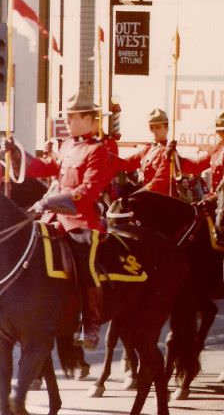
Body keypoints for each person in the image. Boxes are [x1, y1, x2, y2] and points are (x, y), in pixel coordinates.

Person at [5, 92, 114, 349]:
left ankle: (91, 324)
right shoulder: (66, 146)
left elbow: (88, 192)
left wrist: (50, 201)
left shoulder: (98, 150)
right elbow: (43, 167)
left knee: (85, 263)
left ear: (89, 119)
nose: (68, 122)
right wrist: (17, 152)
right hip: (53, 218)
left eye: (73, 117)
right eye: (67, 116)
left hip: (81, 221)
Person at [170, 111, 224, 206]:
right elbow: (196, 166)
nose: (217, 133)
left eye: (221, 131)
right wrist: (176, 156)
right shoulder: (216, 150)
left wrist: (213, 199)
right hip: (213, 202)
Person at [115, 109, 173, 195]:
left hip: (161, 201)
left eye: (158, 127)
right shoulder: (147, 150)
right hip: (146, 198)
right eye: (151, 128)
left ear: (166, 129)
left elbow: (159, 182)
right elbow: (125, 164)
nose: (154, 131)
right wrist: (105, 153)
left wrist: (137, 194)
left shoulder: (168, 152)